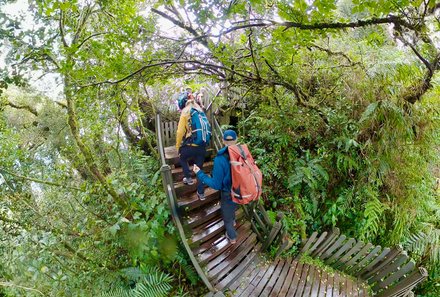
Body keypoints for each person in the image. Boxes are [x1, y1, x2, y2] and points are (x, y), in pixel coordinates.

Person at [193, 130, 238, 244]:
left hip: (228, 192)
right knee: (233, 207)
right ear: (236, 140)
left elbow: (216, 185)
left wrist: (200, 173)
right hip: (240, 190)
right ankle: (233, 220)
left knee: (226, 217)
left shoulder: (220, 159)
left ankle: (232, 237)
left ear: (223, 141)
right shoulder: (242, 153)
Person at [176, 95, 207, 200]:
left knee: (182, 157)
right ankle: (201, 193)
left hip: (191, 146)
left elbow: (180, 132)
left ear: (184, 104)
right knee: (199, 169)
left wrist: (177, 147)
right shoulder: (200, 111)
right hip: (202, 146)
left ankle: (188, 178)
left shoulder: (185, 111)